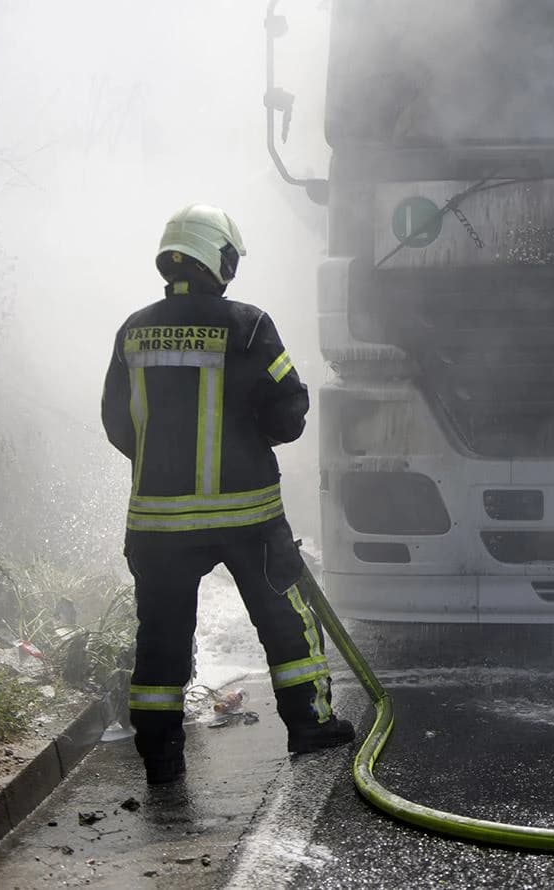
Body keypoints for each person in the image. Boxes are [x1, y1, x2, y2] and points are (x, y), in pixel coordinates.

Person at [101, 204, 354, 785]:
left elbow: (118, 422)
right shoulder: (249, 325)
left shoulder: (132, 330)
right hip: (249, 517)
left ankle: (160, 758)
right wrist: (251, 438)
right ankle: (310, 727)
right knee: (286, 625)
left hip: (158, 524)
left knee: (161, 639)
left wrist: (164, 469)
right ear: (221, 259)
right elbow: (289, 412)